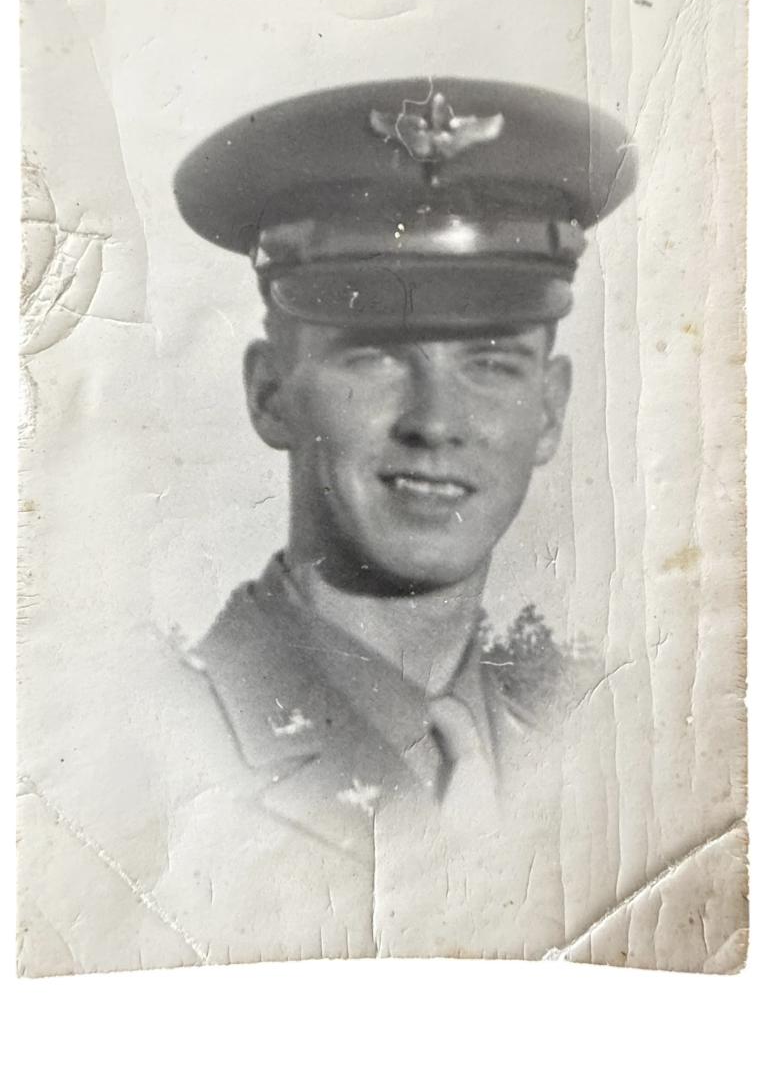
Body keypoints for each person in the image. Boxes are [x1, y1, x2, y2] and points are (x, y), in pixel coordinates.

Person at [167, 77, 636, 958]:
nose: (436, 421)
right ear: (270, 395)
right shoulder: (165, 750)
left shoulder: (607, 758)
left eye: (491, 363)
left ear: (549, 409)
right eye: (375, 356)